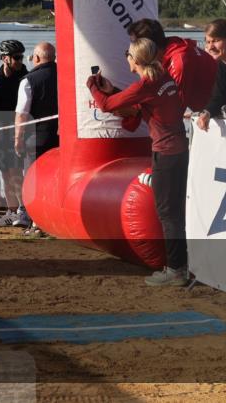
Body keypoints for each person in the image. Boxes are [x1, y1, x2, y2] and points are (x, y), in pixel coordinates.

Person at [87, 38, 188, 286]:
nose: (126, 58)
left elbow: (106, 105)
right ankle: (181, 265)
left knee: (168, 214)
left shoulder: (147, 84)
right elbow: (139, 106)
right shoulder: (162, 78)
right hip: (178, 151)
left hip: (166, 153)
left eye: (127, 53)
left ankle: (176, 270)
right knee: (175, 212)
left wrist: (92, 86)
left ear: (135, 59)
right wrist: (111, 89)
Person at [0, 40, 29, 226]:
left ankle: (24, 211)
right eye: (16, 57)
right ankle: (12, 211)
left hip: (18, 133)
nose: (20, 60)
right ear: (4, 58)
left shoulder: (25, 78)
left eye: (21, 57)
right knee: (5, 173)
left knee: (16, 173)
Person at [14, 42, 58, 232]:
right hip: (61, 138)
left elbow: (21, 114)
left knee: (33, 181)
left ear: (37, 58)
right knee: (54, 179)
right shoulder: (66, 75)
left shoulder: (29, 80)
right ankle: (52, 220)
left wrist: (18, 139)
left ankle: (36, 222)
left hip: (36, 140)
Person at [127, 19, 216, 112]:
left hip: (209, 113)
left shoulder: (179, 62)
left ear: (147, 45)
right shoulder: (174, 45)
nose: (132, 49)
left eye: (135, 44)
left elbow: (174, 107)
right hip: (202, 108)